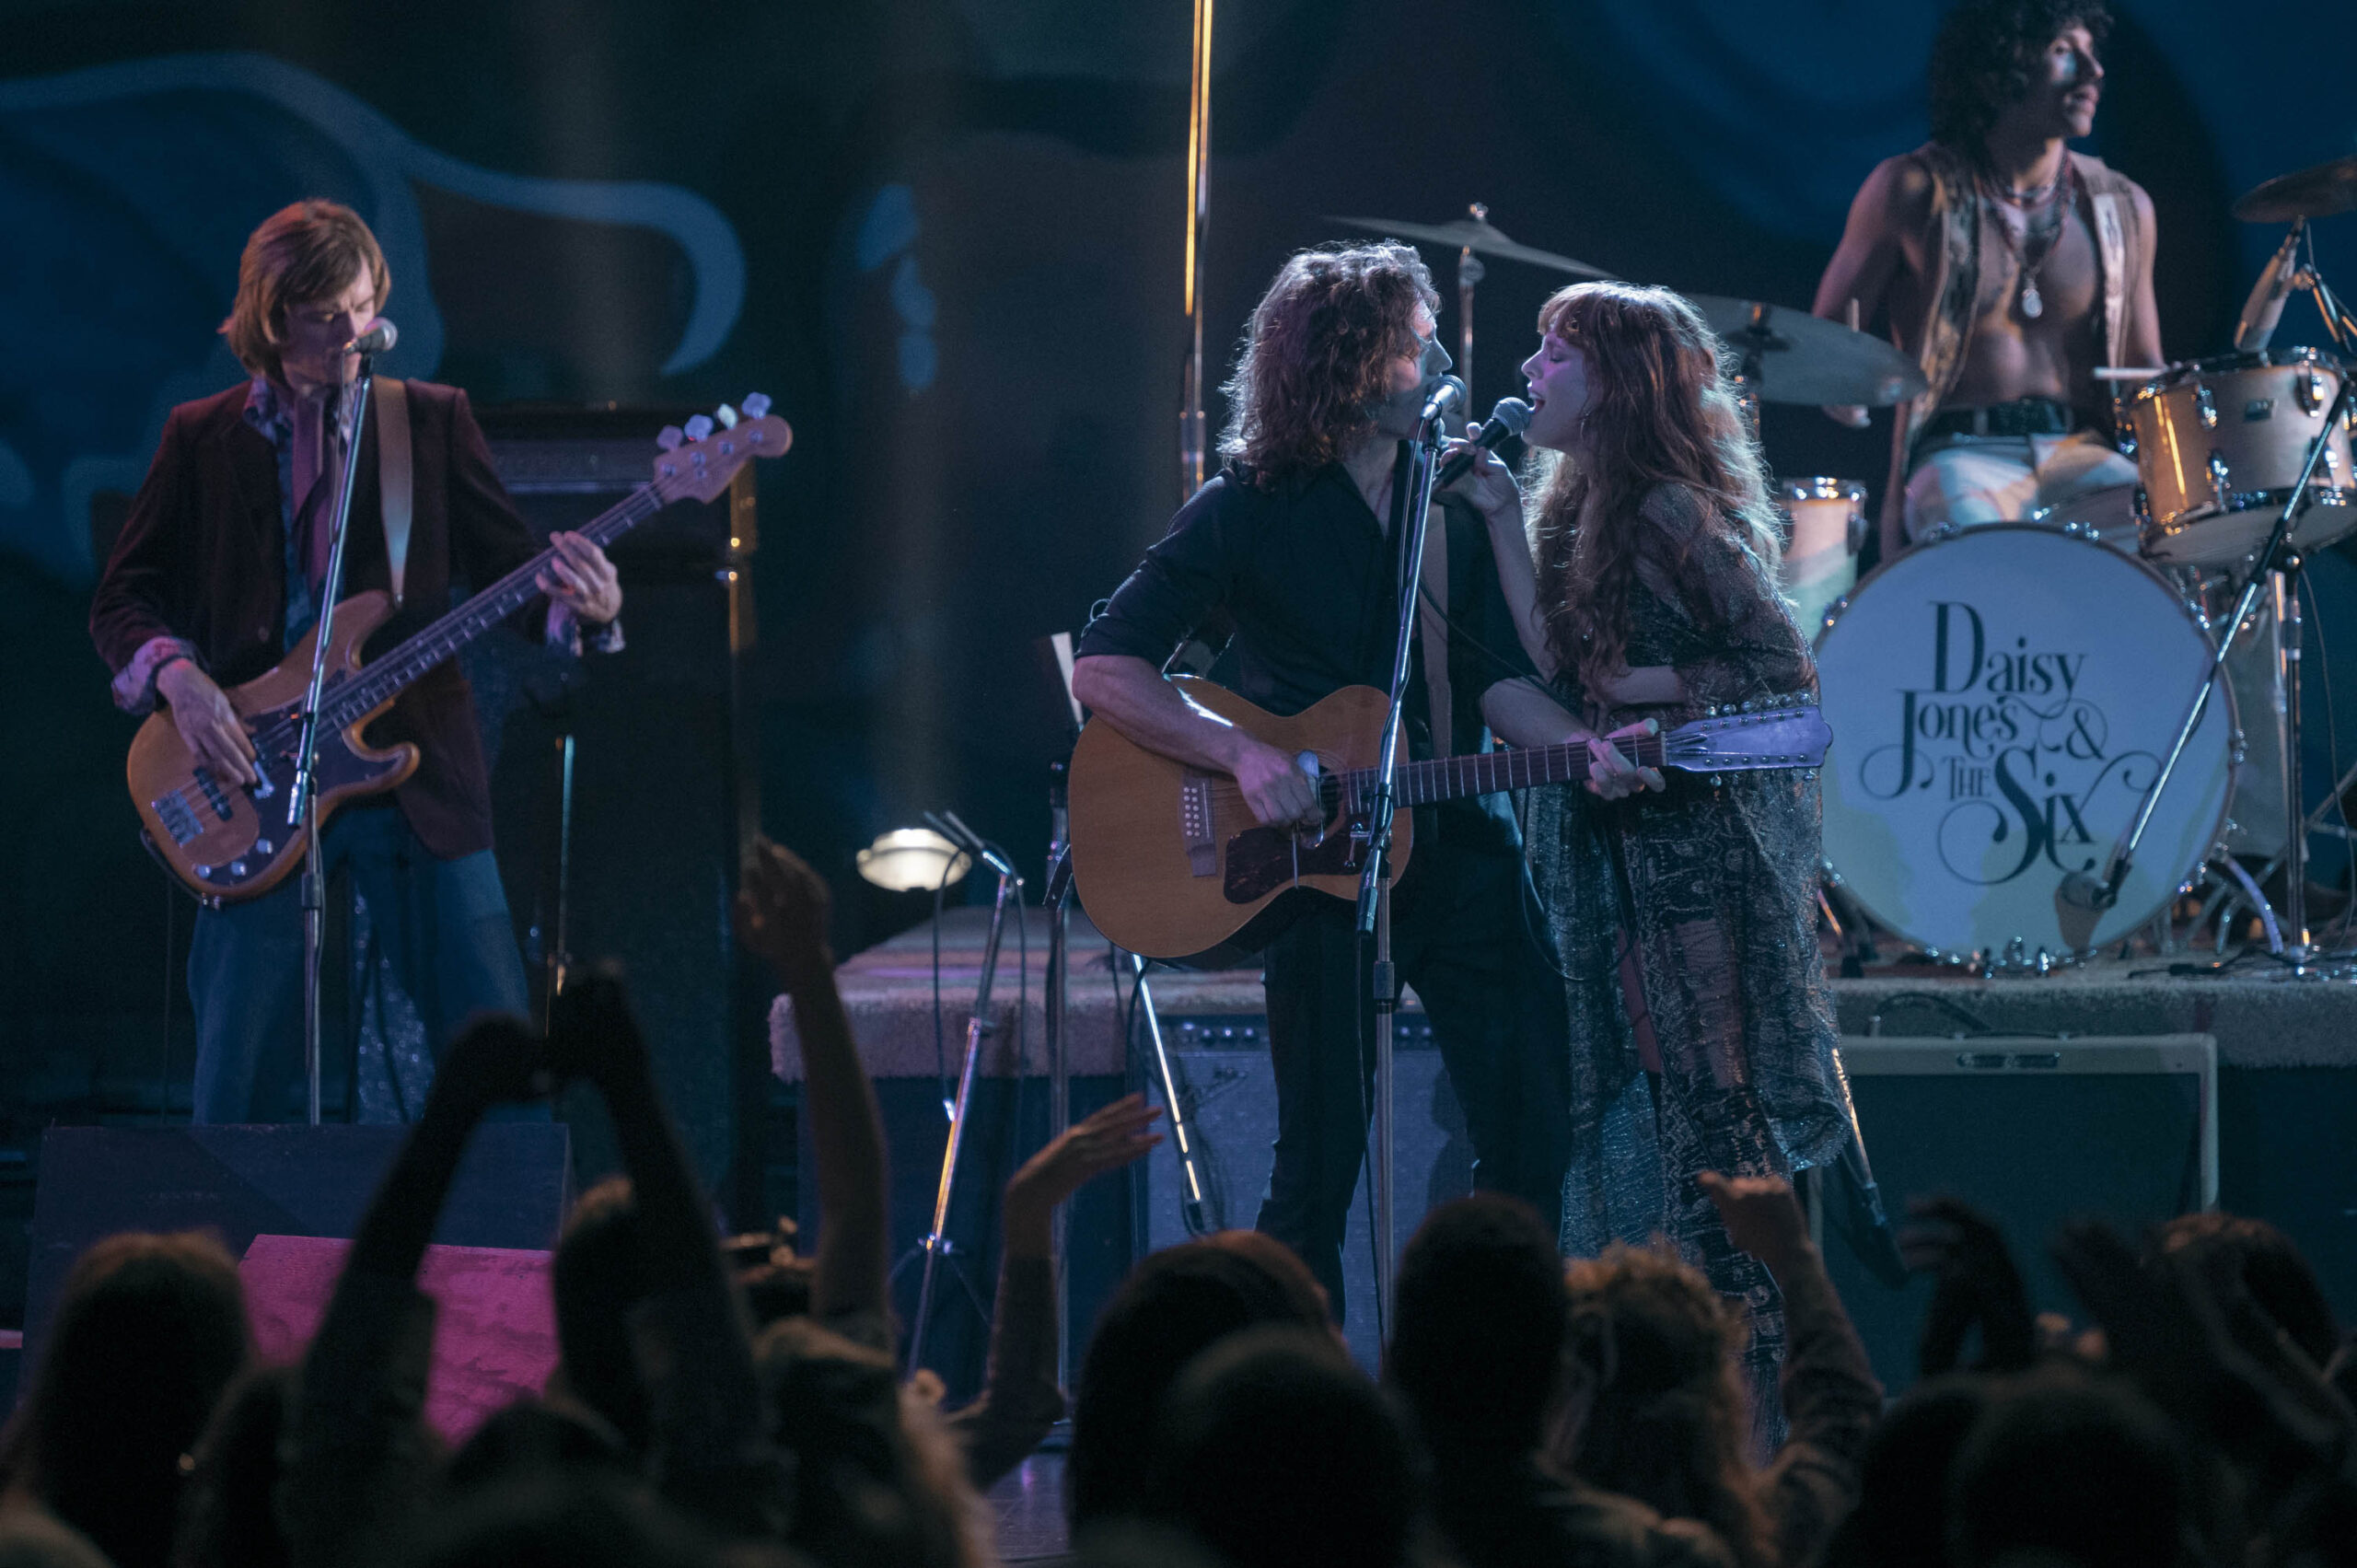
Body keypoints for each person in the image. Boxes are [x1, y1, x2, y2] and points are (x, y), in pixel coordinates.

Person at [1070, 240, 1579, 1314]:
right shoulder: (1246, 504)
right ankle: (1290, 1416)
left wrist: (1584, 748)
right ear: (1351, 366)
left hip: (1463, 839)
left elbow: (1493, 682)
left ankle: (1486, 1387)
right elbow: (1108, 667)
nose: (1439, 354)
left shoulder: (1454, 502)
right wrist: (1240, 753)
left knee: (1533, 1123)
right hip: (1316, 867)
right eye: (1414, 339)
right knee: (1318, 1166)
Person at [88, 198, 623, 1123]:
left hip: (415, 763)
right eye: (326, 314)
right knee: (234, 1079)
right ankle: (232, 1262)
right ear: (272, 317)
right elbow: (122, 598)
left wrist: (594, 610)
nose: (354, 331)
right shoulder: (200, 436)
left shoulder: (429, 422)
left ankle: (503, 1261)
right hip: (251, 773)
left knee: (498, 1047)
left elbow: (514, 575)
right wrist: (181, 679)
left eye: (365, 305)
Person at [1444, 281, 1854, 1435]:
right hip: (1619, 849)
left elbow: (1784, 668)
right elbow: (1558, 657)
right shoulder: (1572, 506)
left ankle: (1762, 1406)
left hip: (1698, 862)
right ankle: (1663, 1395)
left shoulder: (1672, 510)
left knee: (1712, 1104)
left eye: (1554, 352)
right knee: (1640, 1097)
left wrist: (1648, 688)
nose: (1529, 370)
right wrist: (1488, 514)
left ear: (1616, 381)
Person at [1810, 0, 2160, 559]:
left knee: (2157, 544)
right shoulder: (1911, 189)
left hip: (2083, 452)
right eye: (2065, 52)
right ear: (2000, 65)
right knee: (1980, 553)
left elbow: (2145, 369)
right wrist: (1844, 383)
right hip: (1959, 454)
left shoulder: (2123, 207)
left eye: (2093, 53)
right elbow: (1820, 338)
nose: (2094, 72)